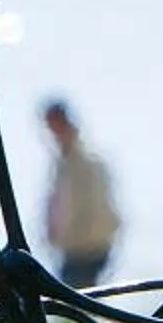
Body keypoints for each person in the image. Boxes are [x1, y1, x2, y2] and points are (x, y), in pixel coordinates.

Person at [38, 98, 120, 286]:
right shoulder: (61, 163)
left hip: (90, 247)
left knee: (79, 302)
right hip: (73, 248)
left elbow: (93, 205)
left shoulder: (88, 160)